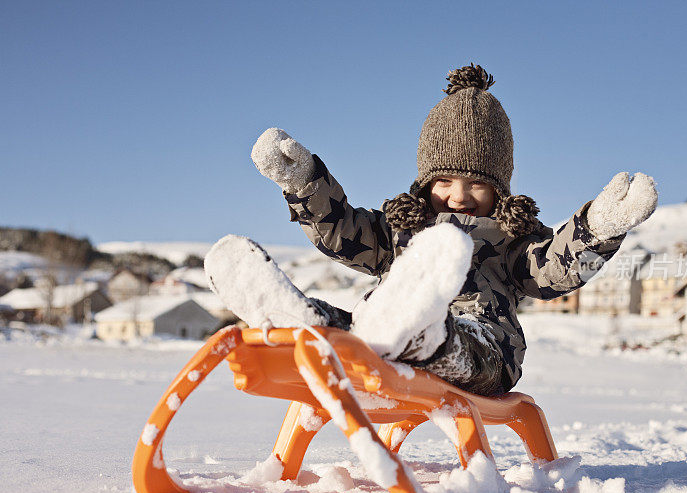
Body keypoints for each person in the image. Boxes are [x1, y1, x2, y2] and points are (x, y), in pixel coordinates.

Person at [206, 64, 657, 396]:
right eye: (444, 182)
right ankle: (307, 324)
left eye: (477, 183)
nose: (459, 196)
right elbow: (342, 232)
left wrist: (600, 227)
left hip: (483, 346)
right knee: (362, 330)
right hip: (385, 337)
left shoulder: (510, 240)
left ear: (499, 188)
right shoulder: (401, 230)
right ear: (425, 184)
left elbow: (555, 269)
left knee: (456, 340)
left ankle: (423, 335)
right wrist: (303, 181)